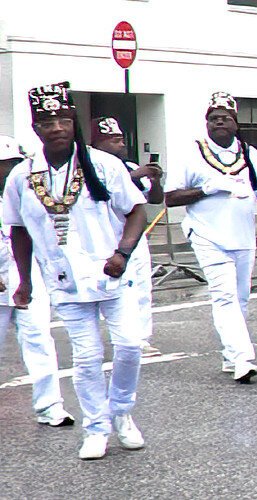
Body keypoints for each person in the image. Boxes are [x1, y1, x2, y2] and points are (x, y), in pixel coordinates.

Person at [6, 82, 150, 460]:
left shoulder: (103, 165)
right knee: (86, 358)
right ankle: (96, 428)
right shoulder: (22, 176)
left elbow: (136, 210)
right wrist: (24, 281)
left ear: (73, 122)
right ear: (36, 128)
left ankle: (121, 412)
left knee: (130, 347)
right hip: (64, 280)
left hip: (111, 272)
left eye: (62, 118)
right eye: (46, 121)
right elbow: (19, 230)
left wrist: (122, 253)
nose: (55, 127)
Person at [164, 92, 257, 383]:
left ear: (235, 123)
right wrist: (206, 189)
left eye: (225, 118)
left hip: (243, 237)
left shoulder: (250, 154)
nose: (219, 122)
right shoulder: (191, 153)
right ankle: (243, 358)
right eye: (213, 118)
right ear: (206, 123)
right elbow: (170, 198)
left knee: (240, 299)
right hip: (207, 236)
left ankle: (230, 357)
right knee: (225, 296)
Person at [0, 134, 75, 428]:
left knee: (40, 341)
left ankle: (50, 406)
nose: (9, 171)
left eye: (14, 164)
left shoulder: (31, 195)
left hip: (28, 280)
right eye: (4, 165)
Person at [88, 117, 162, 362]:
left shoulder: (128, 164)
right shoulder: (89, 166)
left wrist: (154, 179)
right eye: (114, 140)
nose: (121, 144)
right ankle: (109, 337)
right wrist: (134, 174)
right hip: (105, 239)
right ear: (98, 143)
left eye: (121, 139)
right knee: (105, 290)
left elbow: (153, 199)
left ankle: (141, 339)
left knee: (141, 286)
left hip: (134, 236)